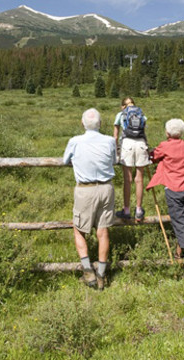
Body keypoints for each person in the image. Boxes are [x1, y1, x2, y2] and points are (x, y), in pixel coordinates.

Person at [63, 108, 118, 290]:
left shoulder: (75, 141)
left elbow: (65, 160)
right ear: (100, 124)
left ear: (82, 123)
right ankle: (101, 274)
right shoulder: (110, 141)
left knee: (79, 229)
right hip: (106, 188)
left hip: (85, 190)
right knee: (102, 231)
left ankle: (88, 272)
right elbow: (113, 160)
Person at [147, 118, 184, 280]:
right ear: (182, 132)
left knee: (181, 226)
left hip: (174, 188)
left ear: (167, 132)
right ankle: (179, 256)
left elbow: (153, 156)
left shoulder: (164, 146)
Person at [112, 97, 149, 222]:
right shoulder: (141, 113)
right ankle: (138, 210)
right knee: (139, 179)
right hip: (141, 144)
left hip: (127, 144)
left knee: (127, 179)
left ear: (123, 106)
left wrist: (116, 150)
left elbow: (115, 136)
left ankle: (126, 210)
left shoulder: (120, 114)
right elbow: (143, 131)